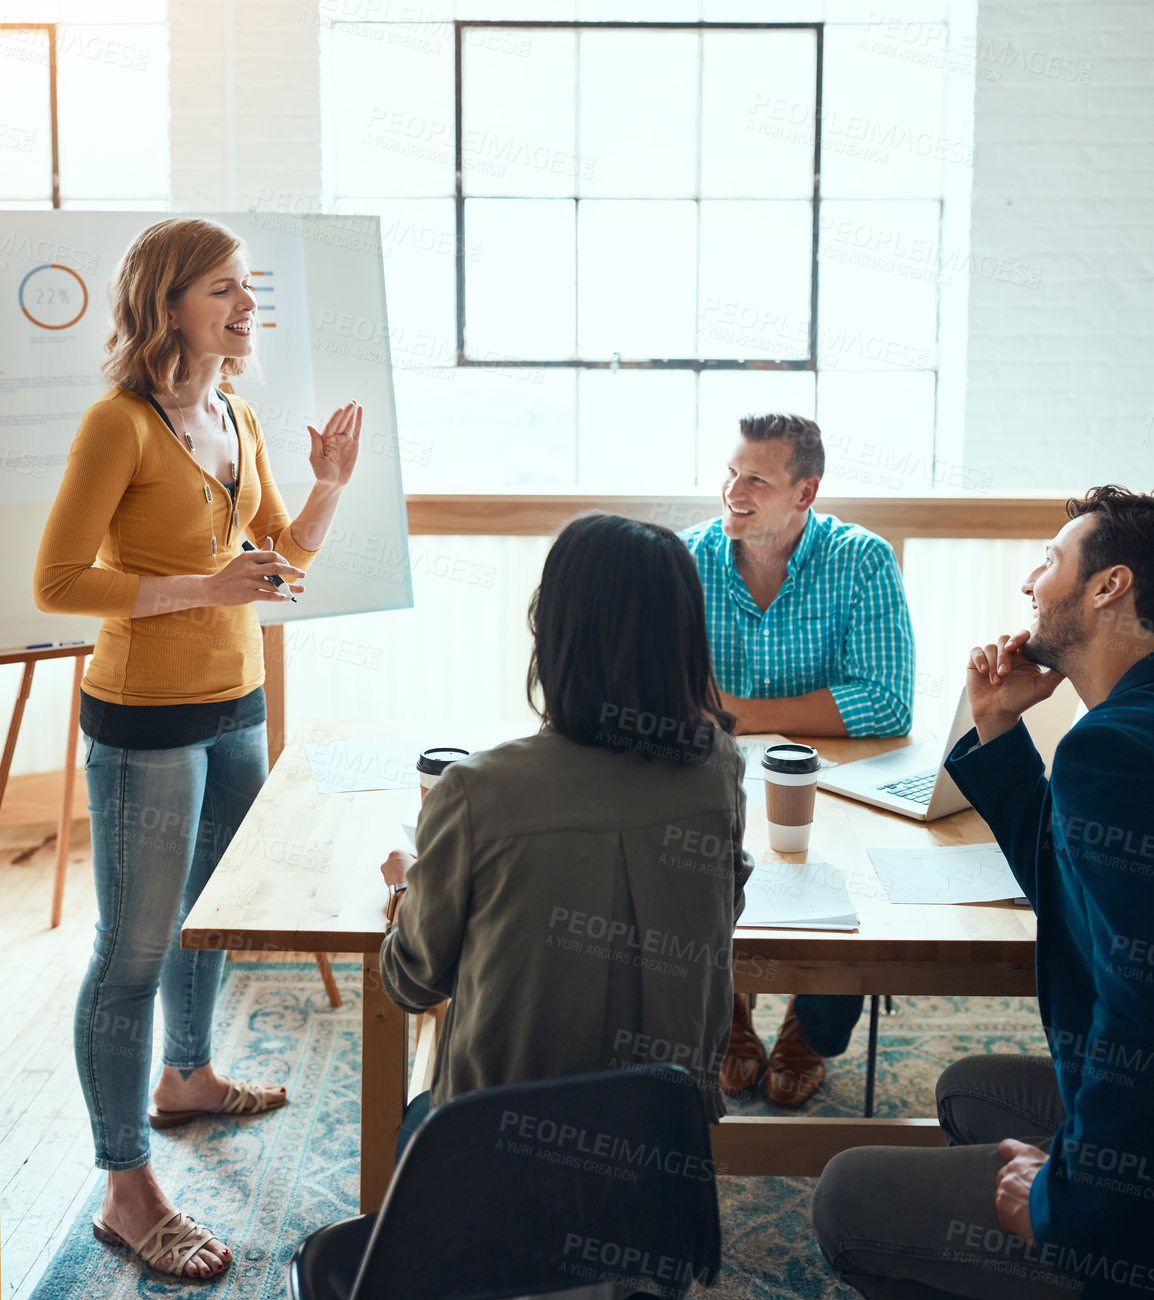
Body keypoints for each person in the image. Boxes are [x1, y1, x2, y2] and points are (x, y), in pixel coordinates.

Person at [33, 217, 362, 1283]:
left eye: (245, 288)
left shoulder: (233, 409)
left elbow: (277, 555)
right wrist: (203, 587)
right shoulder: (117, 426)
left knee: (208, 914)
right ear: (168, 300)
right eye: (221, 288)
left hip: (236, 698)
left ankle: (187, 1077)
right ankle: (126, 1189)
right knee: (131, 950)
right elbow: (57, 583)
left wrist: (327, 484)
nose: (244, 304)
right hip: (145, 715)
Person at [813, 485, 1154, 1300]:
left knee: (844, 1196)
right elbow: (1079, 893)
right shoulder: (1124, 735)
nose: (1029, 582)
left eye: (1050, 561)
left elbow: (1140, 1012)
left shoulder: (1111, 750)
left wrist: (1060, 1202)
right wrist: (999, 728)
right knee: (966, 1090)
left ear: (1109, 587)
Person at [378, 512, 755, 1154]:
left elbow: (411, 981)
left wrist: (409, 894)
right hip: (663, 1148)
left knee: (418, 1114)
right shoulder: (717, 768)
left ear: (553, 634)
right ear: (685, 639)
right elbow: (721, 908)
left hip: (501, 1156)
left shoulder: (475, 791)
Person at [682, 413, 914, 1108]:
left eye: (755, 478)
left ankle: (810, 1027)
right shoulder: (683, 558)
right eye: (729, 472)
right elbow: (661, 686)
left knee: (851, 876)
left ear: (805, 492)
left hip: (831, 779)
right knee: (683, 859)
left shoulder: (862, 559)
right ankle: (725, 1014)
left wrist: (741, 712)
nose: (733, 490)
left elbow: (886, 702)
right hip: (706, 772)